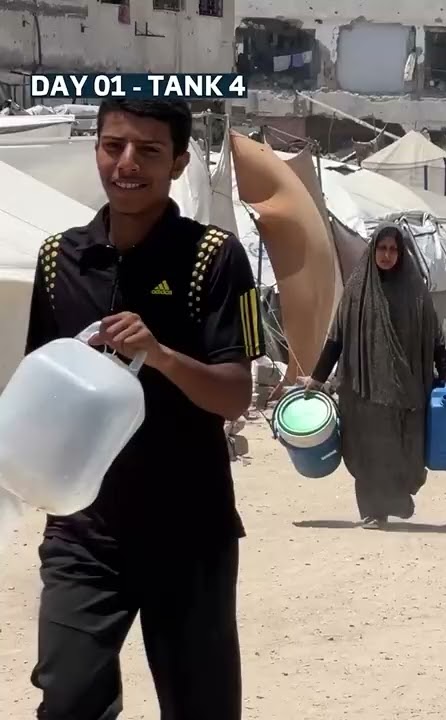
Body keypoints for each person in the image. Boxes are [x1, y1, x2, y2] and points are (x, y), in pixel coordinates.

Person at [23, 99, 263, 718]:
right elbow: (40, 387)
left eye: (148, 151)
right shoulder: (57, 260)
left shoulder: (216, 257)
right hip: (84, 532)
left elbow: (237, 393)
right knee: (69, 698)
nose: (126, 164)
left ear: (179, 161)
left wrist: (159, 356)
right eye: (112, 145)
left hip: (190, 529)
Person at [302, 224, 446, 529]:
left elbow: (434, 336)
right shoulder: (356, 290)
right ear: (373, 251)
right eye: (382, 249)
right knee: (368, 446)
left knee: (400, 446)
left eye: (393, 249)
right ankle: (374, 510)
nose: (387, 255)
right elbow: (336, 339)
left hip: (406, 389)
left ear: (401, 252)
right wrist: (317, 379)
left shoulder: (415, 290)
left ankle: (397, 500)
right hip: (363, 388)